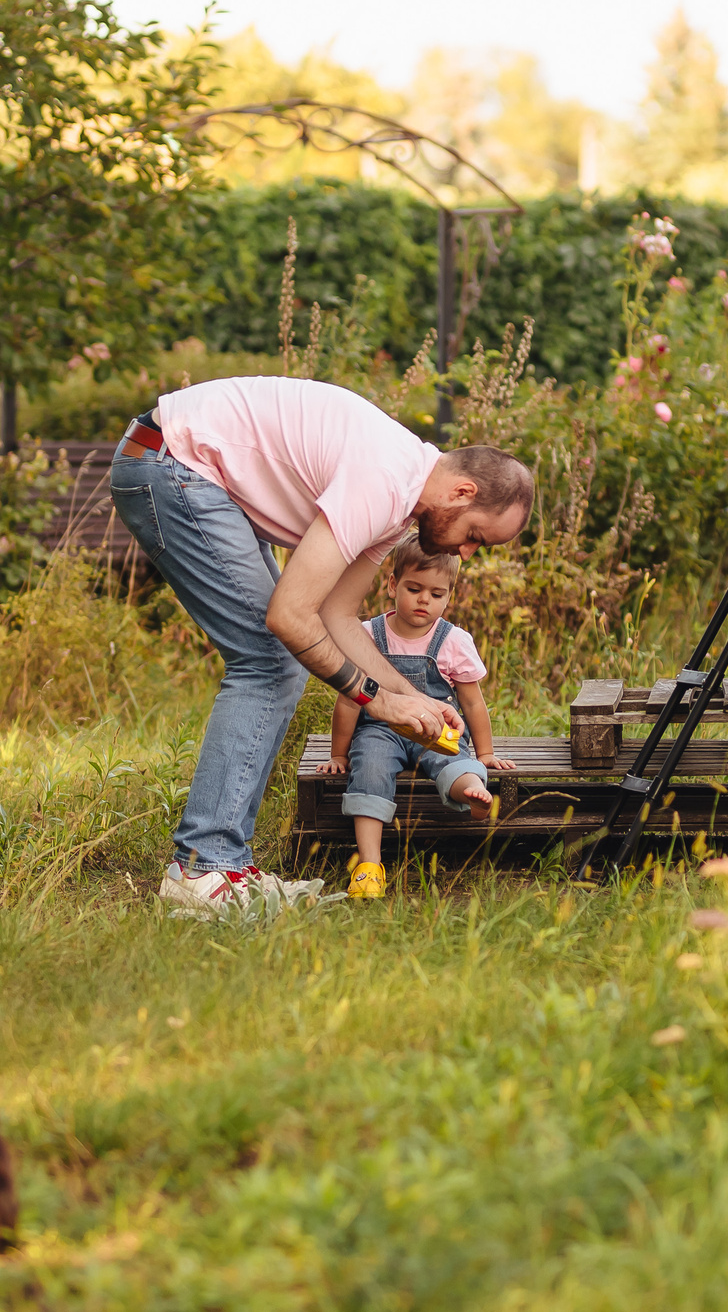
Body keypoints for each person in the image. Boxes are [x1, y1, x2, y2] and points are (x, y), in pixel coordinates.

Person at [106, 376, 534, 917]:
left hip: (184, 464)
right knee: (267, 659)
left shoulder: (401, 503)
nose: (468, 552)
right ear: (463, 492)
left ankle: (223, 865)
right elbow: (290, 616)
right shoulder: (383, 480)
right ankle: (203, 868)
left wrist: (413, 697)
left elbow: (335, 616)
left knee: (276, 659)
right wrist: (376, 701)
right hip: (171, 462)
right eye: (476, 535)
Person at [322, 534, 517, 900]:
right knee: (371, 767)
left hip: (436, 730)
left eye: (436, 594)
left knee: (455, 758)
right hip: (381, 730)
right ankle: (369, 865)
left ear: (449, 596)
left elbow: (473, 703)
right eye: (414, 588)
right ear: (393, 584)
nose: (424, 600)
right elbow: (349, 702)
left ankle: (470, 792)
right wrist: (338, 754)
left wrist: (485, 753)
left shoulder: (453, 640)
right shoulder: (366, 636)